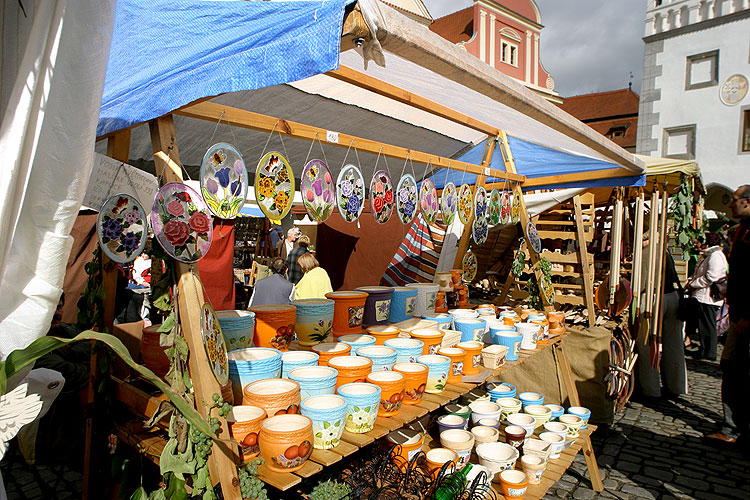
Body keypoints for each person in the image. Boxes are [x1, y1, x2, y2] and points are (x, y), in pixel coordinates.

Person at [708, 185, 750, 444]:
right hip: (739, 313)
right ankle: (733, 427)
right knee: (732, 368)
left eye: (734, 201)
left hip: (746, 316)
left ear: (747, 202)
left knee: (740, 371)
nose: (730, 205)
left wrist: (748, 314)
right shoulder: (742, 229)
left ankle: (737, 429)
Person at [685, 232, 728, 360]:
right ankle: (705, 350)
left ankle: (709, 352)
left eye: (699, 242)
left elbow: (712, 276)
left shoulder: (715, 256)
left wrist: (695, 284)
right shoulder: (710, 255)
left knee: (707, 325)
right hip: (703, 296)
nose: (697, 244)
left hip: (708, 297)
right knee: (704, 324)